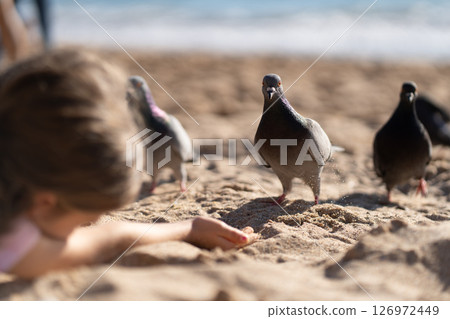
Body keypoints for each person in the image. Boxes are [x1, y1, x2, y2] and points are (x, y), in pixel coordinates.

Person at [0, 49, 256, 279]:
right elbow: (105, 240)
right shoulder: (13, 244)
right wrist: (187, 228)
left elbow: (112, 233)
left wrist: (193, 226)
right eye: (86, 218)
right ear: (43, 202)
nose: (85, 228)